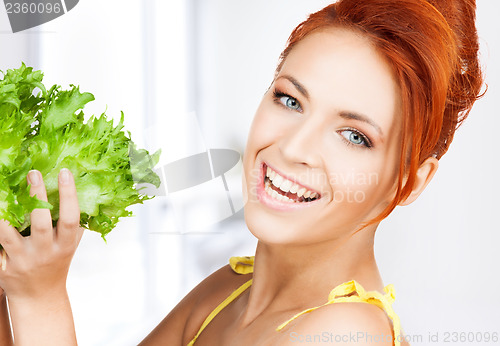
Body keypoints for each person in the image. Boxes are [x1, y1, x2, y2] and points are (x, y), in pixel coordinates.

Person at [0, 0, 484, 345]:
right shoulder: (227, 289)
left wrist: (40, 298)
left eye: (354, 135)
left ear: (409, 181)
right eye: (289, 100)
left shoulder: (344, 335)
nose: (293, 148)